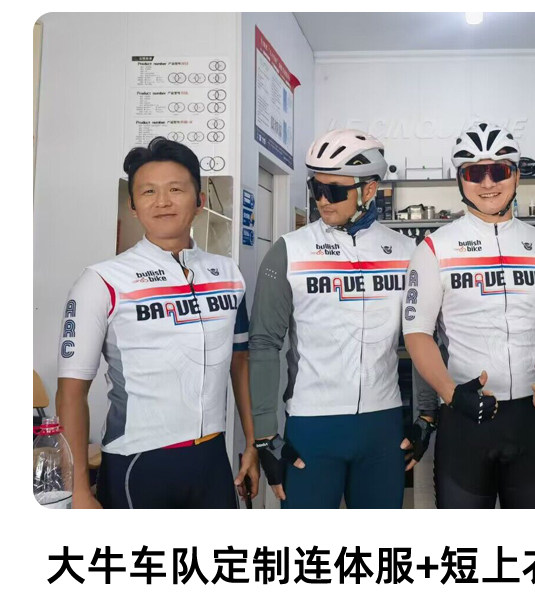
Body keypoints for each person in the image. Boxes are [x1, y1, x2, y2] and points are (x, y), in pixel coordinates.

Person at [56, 137, 259, 508]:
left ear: (199, 200)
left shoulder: (228, 274)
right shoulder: (102, 280)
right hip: (138, 464)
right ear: (133, 206)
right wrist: (79, 490)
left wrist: (251, 444)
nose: (162, 201)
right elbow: (71, 391)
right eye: (148, 191)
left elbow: (240, 362)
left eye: (175, 189)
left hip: (212, 459)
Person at [249, 128, 437, 509]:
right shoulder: (288, 252)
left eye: (334, 191)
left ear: (369, 190)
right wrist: (265, 435)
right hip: (312, 426)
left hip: (382, 426)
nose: (322, 199)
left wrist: (428, 415)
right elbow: (264, 343)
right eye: (315, 188)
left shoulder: (407, 252)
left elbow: (422, 337)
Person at [402, 122, 535, 508]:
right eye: (475, 173)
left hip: (533, 419)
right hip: (465, 418)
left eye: (498, 171)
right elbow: (417, 334)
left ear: (516, 175)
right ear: (460, 181)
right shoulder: (434, 248)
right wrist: (450, 394)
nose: (488, 183)